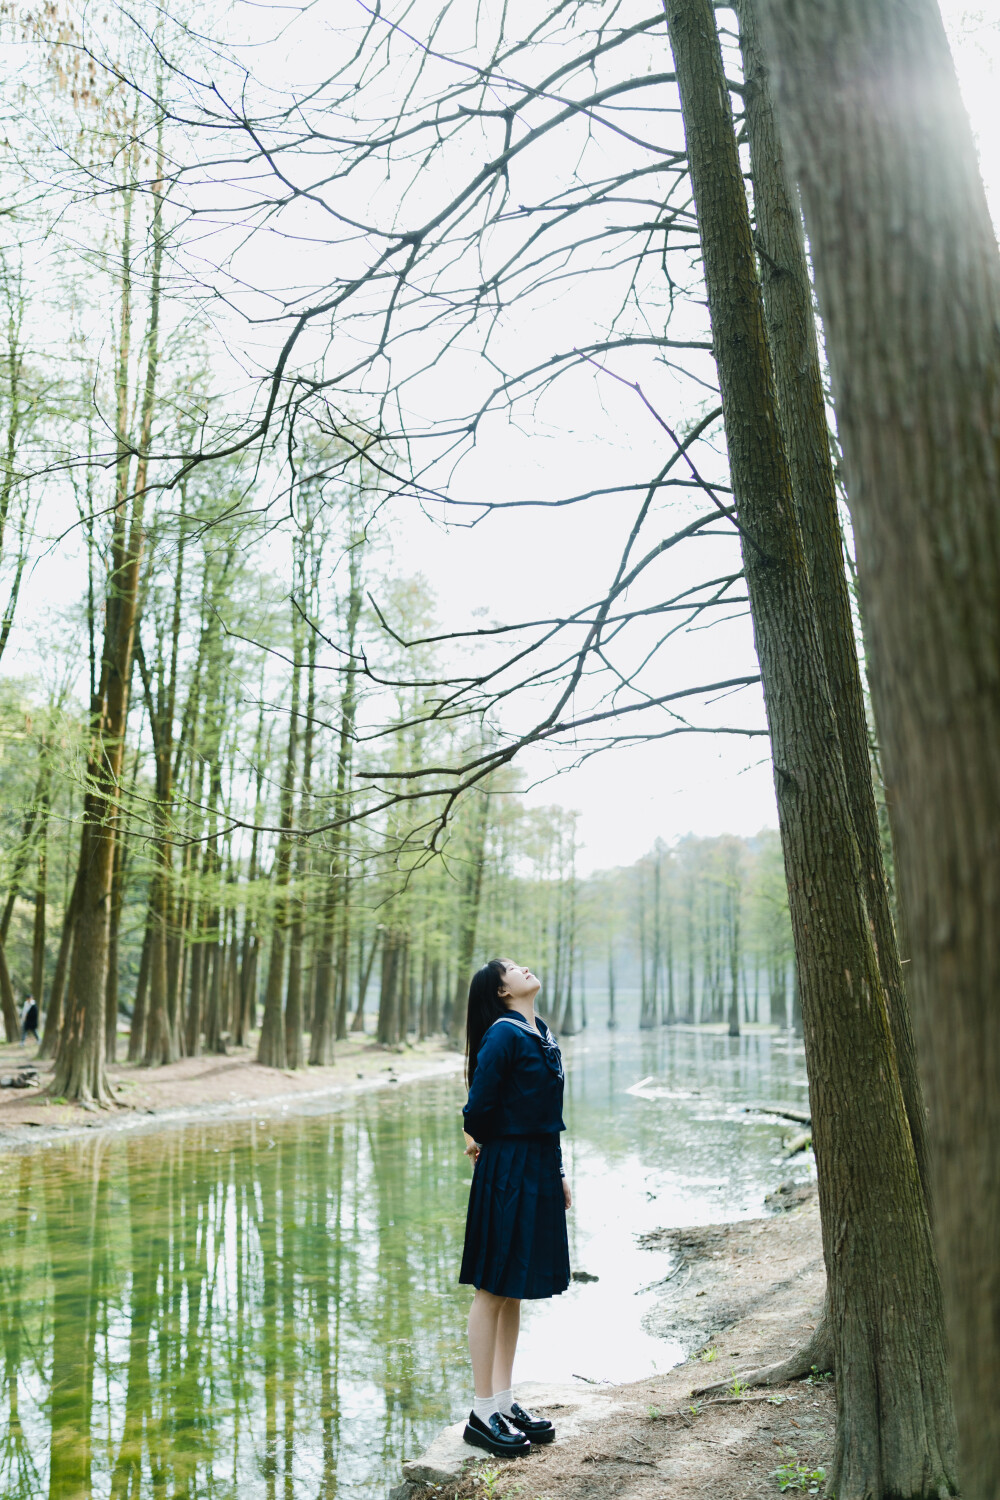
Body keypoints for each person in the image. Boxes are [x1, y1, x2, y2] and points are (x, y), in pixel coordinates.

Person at [459, 958, 571, 1458]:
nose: (525, 968)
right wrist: (482, 1142)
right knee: (491, 1288)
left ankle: (503, 1399)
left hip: (538, 1165)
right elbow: (478, 1106)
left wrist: (559, 1171)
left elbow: (549, 1114)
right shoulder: (503, 1035)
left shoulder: (538, 1031)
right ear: (501, 991)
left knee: (513, 1289)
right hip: (507, 1169)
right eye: (512, 968)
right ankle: (482, 1413)